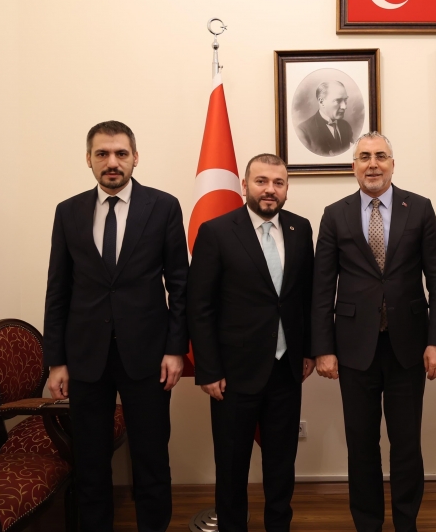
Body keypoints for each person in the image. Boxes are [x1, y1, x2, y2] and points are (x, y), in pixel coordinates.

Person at [44, 120, 187, 532]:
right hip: (85, 357)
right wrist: (56, 361)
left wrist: (175, 349)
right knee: (90, 462)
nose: (112, 162)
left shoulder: (163, 207)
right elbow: (58, 289)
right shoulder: (68, 211)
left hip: (148, 356)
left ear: (135, 158)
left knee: (151, 459)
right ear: (88, 159)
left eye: (121, 153)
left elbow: (180, 285)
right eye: (102, 154)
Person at [311, 132, 436, 532]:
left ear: (392, 163)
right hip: (354, 348)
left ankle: (406, 522)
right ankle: (367, 523)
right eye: (364, 157)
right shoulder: (334, 214)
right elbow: (322, 287)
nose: (373, 164)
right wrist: (323, 348)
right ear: (353, 166)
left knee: (406, 443)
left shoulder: (419, 208)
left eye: (380, 156)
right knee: (361, 444)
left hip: (408, 346)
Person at [187, 153, 314, 532]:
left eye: (278, 182)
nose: (270, 189)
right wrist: (208, 369)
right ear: (245, 185)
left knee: (281, 464)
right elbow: (200, 306)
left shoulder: (301, 229)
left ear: (287, 188)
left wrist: (308, 350)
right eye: (261, 181)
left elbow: (306, 297)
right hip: (232, 375)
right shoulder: (216, 231)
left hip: (286, 371)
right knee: (231, 465)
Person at [296, 80, 354, 156]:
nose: (344, 106)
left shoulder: (346, 126)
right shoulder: (303, 131)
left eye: (345, 100)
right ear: (321, 102)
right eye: (338, 100)